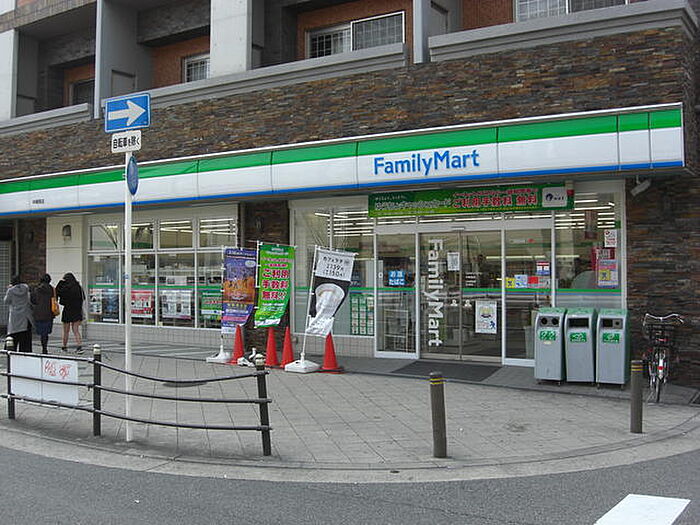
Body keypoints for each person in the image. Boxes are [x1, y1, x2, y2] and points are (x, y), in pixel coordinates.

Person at [55, 272, 85, 353]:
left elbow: (57, 291)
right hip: (77, 310)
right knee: (76, 330)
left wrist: (61, 282)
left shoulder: (66, 288)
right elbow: (83, 298)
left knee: (66, 331)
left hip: (67, 310)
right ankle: (79, 347)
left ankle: (64, 347)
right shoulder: (78, 287)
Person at [4, 274, 33, 352]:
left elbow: (6, 301)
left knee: (13, 336)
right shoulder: (26, 288)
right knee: (25, 338)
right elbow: (29, 299)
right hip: (25, 315)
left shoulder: (10, 291)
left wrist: (9, 288)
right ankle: (24, 352)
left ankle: (11, 351)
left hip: (14, 316)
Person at [31, 273, 56, 354]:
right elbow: (55, 299)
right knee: (46, 333)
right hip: (49, 313)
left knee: (42, 332)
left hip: (39, 313)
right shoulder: (52, 289)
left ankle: (44, 347)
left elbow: (33, 300)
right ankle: (45, 348)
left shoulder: (37, 289)